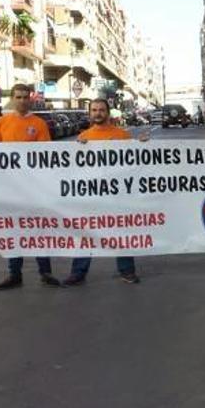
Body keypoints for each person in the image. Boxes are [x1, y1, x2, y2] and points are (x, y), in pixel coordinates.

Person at [62, 99, 144, 286]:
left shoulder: (122, 135)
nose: (98, 113)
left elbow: (134, 162)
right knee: (86, 231)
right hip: (92, 194)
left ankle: (127, 271)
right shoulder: (83, 137)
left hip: (117, 194)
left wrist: (142, 145)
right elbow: (74, 168)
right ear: (90, 113)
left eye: (101, 110)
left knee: (121, 231)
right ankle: (78, 273)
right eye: (94, 110)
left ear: (108, 113)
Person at [0, 84, 60, 290]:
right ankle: (14, 274)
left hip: (34, 188)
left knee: (39, 229)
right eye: (17, 97)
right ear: (12, 98)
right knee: (13, 230)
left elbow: (45, 155)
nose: (21, 100)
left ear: (31, 99)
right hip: (10, 187)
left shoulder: (39, 123)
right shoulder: (2, 122)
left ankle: (45, 272)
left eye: (25, 97)